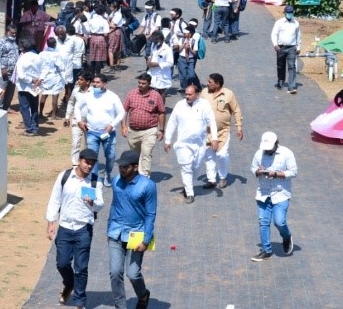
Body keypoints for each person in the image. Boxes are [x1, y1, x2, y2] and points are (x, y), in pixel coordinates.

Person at [46, 148, 104, 309]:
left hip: (83, 229)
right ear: (80, 160)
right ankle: (69, 284)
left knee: (81, 267)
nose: (89, 166)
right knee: (62, 263)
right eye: (87, 162)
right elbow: (55, 200)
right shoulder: (65, 177)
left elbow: (100, 205)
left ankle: (80, 301)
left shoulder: (95, 181)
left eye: (92, 164)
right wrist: (51, 223)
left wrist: (92, 203)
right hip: (64, 227)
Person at [107, 150, 157, 309]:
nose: (121, 169)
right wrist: (109, 228)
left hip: (137, 235)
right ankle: (120, 306)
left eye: (125, 167)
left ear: (135, 167)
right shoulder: (116, 182)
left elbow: (150, 214)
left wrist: (146, 240)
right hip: (115, 233)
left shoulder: (148, 186)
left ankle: (143, 295)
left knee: (133, 273)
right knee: (115, 273)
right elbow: (114, 206)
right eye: (120, 166)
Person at [163, 83, 218, 204]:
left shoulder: (204, 105)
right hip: (183, 144)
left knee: (196, 167)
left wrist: (214, 139)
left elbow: (212, 121)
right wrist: (168, 140)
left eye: (189, 94)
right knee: (186, 167)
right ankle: (190, 193)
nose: (186, 96)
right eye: (185, 94)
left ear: (197, 94)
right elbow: (172, 123)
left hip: (199, 144)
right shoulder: (179, 105)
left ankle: (188, 186)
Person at [250, 132, 297, 261]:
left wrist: (276, 174)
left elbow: (293, 172)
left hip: (281, 193)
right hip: (263, 193)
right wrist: (257, 171)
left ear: (276, 144)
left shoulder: (287, 153)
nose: (267, 151)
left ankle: (286, 236)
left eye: (269, 148)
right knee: (263, 222)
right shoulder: (259, 153)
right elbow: (252, 168)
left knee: (279, 221)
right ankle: (266, 250)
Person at [79, 73, 126, 186]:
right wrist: (79, 121)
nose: (95, 84)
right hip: (92, 132)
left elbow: (122, 112)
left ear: (105, 84)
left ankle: (107, 174)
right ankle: (94, 178)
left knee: (110, 156)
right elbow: (77, 107)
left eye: (98, 82)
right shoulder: (88, 95)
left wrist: (112, 124)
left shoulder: (112, 96)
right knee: (92, 157)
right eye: (94, 82)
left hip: (108, 133)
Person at [201, 73, 243, 190]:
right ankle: (211, 180)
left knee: (221, 154)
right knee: (209, 156)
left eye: (210, 82)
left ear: (218, 84)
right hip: (207, 132)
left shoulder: (228, 94)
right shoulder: (204, 93)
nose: (207, 84)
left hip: (223, 131)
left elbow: (236, 110)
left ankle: (223, 177)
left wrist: (239, 127)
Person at [121, 73, 166, 177]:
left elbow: (161, 112)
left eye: (143, 83)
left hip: (149, 130)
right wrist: (123, 126)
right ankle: (135, 175)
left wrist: (161, 129)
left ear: (149, 84)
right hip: (133, 131)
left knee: (146, 153)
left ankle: (145, 177)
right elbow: (124, 110)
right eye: (139, 83)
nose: (140, 85)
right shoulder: (131, 94)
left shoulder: (156, 96)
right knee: (135, 155)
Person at [15, 40, 44, 136]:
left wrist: (32, 80)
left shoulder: (22, 59)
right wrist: (38, 80)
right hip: (35, 87)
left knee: (25, 107)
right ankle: (34, 127)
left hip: (24, 86)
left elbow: (21, 76)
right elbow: (43, 70)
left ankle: (29, 128)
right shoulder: (38, 57)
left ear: (22, 48)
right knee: (34, 107)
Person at [271, 5, 301, 94]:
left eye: (291, 12)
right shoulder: (279, 23)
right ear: (285, 13)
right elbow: (274, 34)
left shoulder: (296, 23)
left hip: (292, 47)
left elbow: (298, 36)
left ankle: (291, 86)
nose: (290, 14)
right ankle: (281, 80)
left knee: (292, 66)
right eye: (288, 13)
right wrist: (275, 45)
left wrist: (298, 47)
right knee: (280, 65)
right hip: (281, 47)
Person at [39, 38, 70, 121]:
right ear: (55, 44)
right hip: (54, 76)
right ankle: (53, 115)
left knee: (44, 94)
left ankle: (40, 113)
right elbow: (61, 66)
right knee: (55, 95)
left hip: (44, 76)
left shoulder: (42, 54)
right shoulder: (57, 54)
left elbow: (39, 64)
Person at [65, 72, 92, 166]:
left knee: (89, 144)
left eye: (81, 79)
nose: (78, 81)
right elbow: (71, 103)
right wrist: (67, 117)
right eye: (78, 79)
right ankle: (75, 165)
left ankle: (87, 163)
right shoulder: (76, 91)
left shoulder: (94, 92)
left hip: (90, 123)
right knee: (75, 143)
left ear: (88, 82)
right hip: (77, 121)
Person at [0, 23, 20, 111]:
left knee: (10, 93)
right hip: (4, 73)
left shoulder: (14, 43)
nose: (14, 35)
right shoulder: (1, 42)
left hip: (13, 73)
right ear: (7, 32)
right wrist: (2, 68)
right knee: (0, 91)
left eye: (15, 33)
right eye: (12, 33)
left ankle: (5, 108)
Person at [145, 31, 173, 101]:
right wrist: (148, 60)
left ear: (160, 39)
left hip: (162, 74)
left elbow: (170, 63)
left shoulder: (167, 49)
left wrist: (158, 64)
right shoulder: (154, 46)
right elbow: (151, 55)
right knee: (150, 89)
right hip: (152, 72)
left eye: (154, 40)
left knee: (161, 91)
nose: (153, 42)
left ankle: (162, 109)